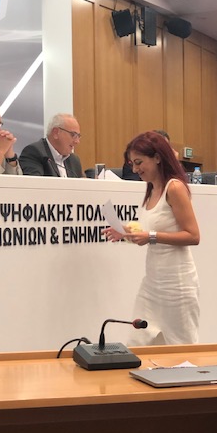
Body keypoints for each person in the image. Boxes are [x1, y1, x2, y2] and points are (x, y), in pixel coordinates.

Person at [104, 131, 200, 345]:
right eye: (132, 164)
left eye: (139, 163)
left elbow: (193, 235)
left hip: (177, 285)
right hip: (152, 284)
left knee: (181, 349)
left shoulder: (174, 187)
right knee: (138, 342)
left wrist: (151, 237)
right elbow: (151, 231)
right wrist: (126, 233)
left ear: (157, 157)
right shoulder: (152, 189)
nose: (135, 170)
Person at [19, 113, 83, 177]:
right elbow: (35, 182)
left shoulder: (73, 160)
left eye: (78, 136)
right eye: (73, 135)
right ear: (56, 132)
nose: (77, 141)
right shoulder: (34, 153)